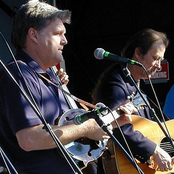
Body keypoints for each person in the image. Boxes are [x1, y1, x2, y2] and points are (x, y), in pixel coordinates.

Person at [0, 0, 133, 173]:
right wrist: (86, 128)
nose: (65, 40)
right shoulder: (19, 74)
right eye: (58, 33)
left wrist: (110, 122)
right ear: (34, 35)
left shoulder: (51, 77)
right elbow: (29, 139)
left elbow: (67, 132)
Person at [92, 28, 174, 173]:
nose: (159, 66)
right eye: (155, 58)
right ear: (138, 53)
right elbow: (117, 127)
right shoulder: (115, 85)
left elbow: (152, 127)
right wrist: (154, 150)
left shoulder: (134, 84)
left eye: (161, 60)